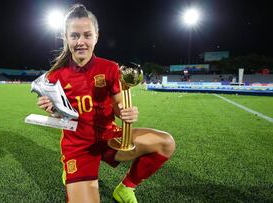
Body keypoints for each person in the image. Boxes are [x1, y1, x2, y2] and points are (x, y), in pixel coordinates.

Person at [37, 4, 175, 203]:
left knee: (165, 143)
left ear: (96, 36)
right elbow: (58, 115)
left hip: (109, 138)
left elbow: (119, 107)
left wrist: (126, 112)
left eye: (87, 35)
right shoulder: (55, 75)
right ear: (66, 37)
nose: (81, 41)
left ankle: (126, 188)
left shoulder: (110, 68)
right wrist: (51, 109)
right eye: (74, 35)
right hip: (79, 147)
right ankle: (70, 170)